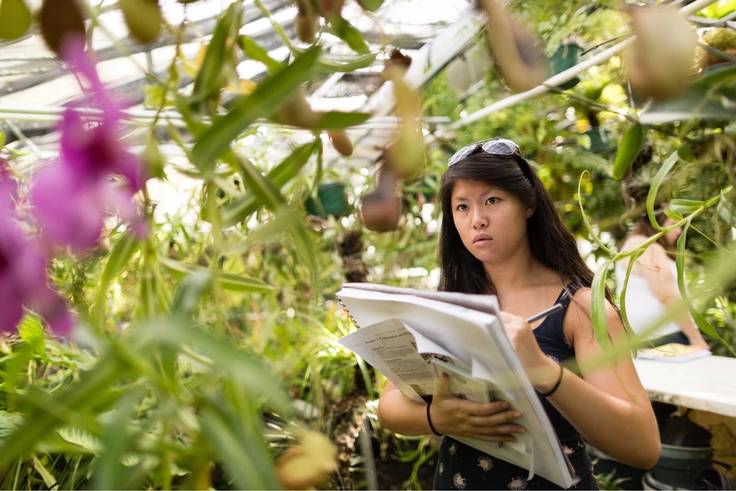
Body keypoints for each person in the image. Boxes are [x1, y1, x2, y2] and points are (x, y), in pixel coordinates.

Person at [377, 138, 661, 490]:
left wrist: (546, 372)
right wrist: (438, 417)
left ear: (527, 204)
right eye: (462, 207)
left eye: (492, 201)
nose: (477, 220)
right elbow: (388, 406)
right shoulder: (447, 305)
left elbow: (643, 446)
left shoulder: (579, 307)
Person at [615, 205, 709, 349]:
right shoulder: (650, 248)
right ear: (656, 224)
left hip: (643, 339)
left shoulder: (630, 245)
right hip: (668, 337)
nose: (679, 230)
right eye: (673, 224)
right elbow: (667, 297)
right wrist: (696, 338)